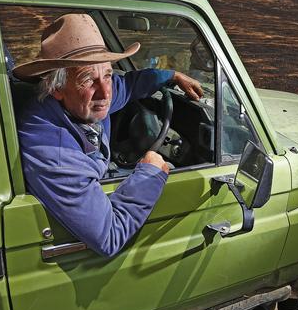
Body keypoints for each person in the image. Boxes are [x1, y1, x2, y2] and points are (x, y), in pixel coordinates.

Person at [13, 13, 203, 258]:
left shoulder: (81, 102)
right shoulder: (54, 152)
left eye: (107, 75)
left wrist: (171, 76)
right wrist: (150, 173)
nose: (105, 92)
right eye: (88, 79)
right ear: (56, 88)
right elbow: (109, 236)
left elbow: (129, 86)